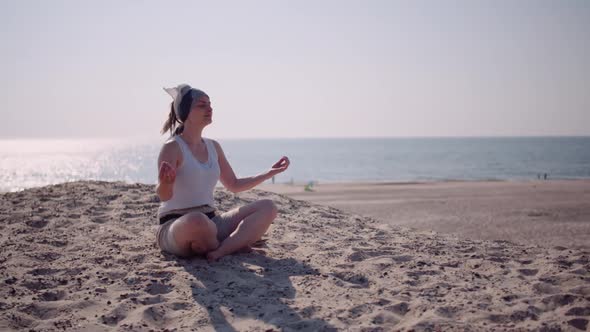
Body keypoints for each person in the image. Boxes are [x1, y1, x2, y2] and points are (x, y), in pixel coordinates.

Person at [155, 84, 290, 262]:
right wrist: (166, 183)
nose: (209, 109)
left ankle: (219, 250)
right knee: (197, 221)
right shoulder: (173, 147)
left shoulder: (213, 147)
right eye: (202, 105)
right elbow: (164, 196)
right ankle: (233, 244)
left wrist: (269, 173)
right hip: (176, 226)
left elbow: (234, 185)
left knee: (268, 207)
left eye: (210, 104)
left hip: (212, 222)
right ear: (185, 111)